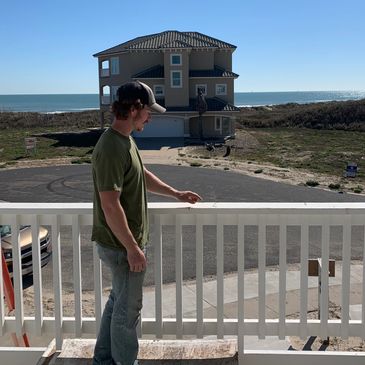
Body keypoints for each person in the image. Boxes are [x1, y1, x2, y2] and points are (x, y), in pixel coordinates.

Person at [91, 80, 202, 365]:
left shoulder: (124, 140)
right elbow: (109, 203)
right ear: (134, 108)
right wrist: (131, 248)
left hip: (122, 244)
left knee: (118, 303)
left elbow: (142, 175)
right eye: (148, 111)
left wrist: (175, 193)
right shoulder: (111, 146)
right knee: (128, 312)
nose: (150, 117)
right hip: (120, 246)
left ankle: (103, 360)